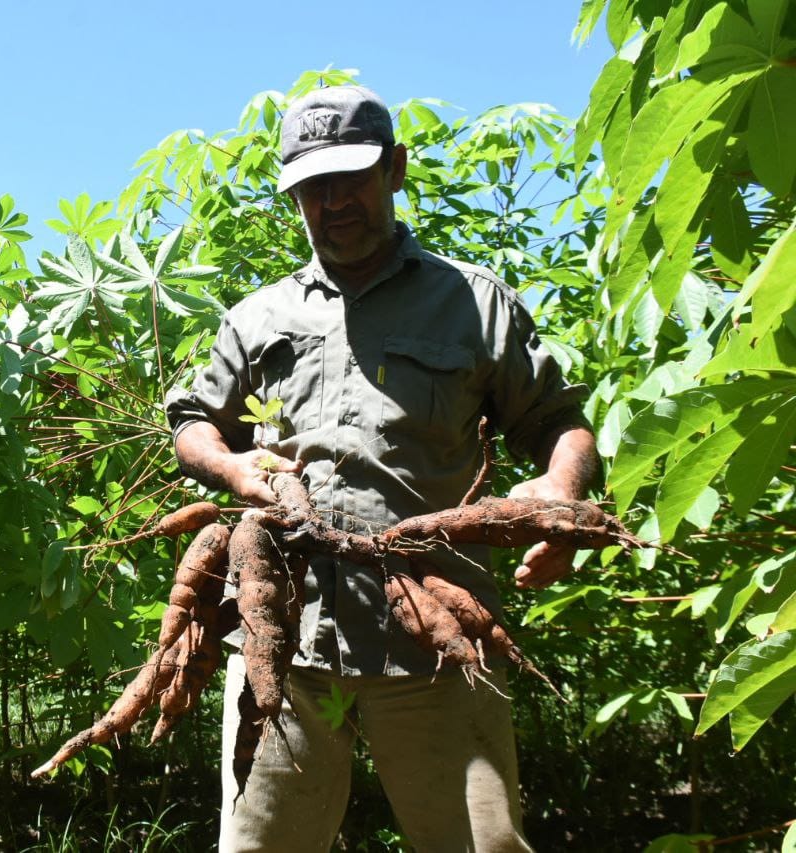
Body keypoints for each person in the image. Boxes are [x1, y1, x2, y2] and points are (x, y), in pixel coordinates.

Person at [164, 85, 598, 852]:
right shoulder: (258, 317)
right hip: (285, 637)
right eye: (310, 189)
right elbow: (192, 422)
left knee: (484, 844)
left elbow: (561, 421)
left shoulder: (473, 303)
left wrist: (560, 494)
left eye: (350, 179)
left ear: (395, 169)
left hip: (438, 634)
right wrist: (231, 467)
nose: (331, 204)